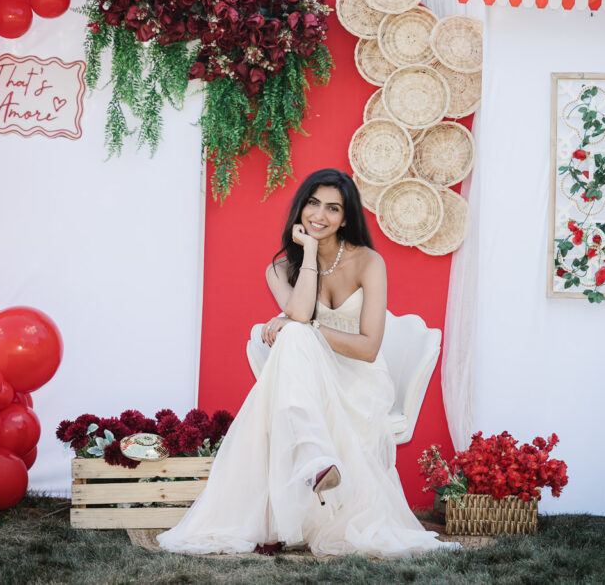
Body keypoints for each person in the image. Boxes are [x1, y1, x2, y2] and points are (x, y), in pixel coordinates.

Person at [157, 168, 458, 558]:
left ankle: (312, 461)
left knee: (298, 332)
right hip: (310, 378)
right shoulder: (281, 268)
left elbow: (368, 348)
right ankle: (317, 462)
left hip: (359, 380)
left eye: (333, 208)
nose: (320, 214)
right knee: (296, 333)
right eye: (313, 203)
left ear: (346, 218)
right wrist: (311, 254)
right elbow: (299, 312)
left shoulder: (368, 262)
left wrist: (307, 326)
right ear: (301, 208)